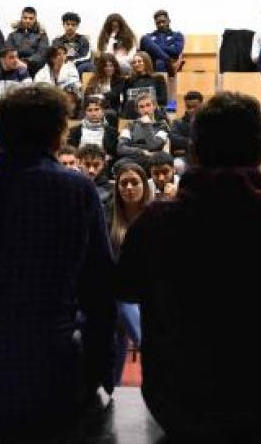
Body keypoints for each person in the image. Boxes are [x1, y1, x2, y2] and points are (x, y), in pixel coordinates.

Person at [117, 92, 261, 441]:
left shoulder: (153, 225)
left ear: (194, 151)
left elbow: (126, 289)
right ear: (260, 152)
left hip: (177, 410)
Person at [0, 85, 116, 438]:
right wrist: (103, 380)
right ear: (59, 136)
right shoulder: (75, 189)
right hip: (44, 391)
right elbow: (100, 292)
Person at [110, 163, 151, 383]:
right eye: (123, 183)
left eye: (134, 182)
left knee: (120, 309)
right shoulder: (110, 218)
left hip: (147, 290)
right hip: (119, 290)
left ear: (144, 185)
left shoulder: (155, 216)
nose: (128, 187)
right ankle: (113, 387)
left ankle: (147, 346)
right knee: (119, 307)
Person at [117, 93, 169, 170]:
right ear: (137, 110)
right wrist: (141, 151)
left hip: (153, 159)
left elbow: (153, 146)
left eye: (148, 105)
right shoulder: (130, 125)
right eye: (141, 107)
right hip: (134, 157)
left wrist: (147, 125)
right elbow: (120, 148)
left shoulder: (162, 126)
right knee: (119, 165)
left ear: (154, 106)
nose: (145, 110)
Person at [5, 6, 50, 77]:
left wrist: (26, 62)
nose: (27, 20)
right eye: (25, 18)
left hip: (34, 68)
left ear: (35, 19)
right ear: (21, 18)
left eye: (31, 18)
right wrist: (16, 62)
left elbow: (41, 54)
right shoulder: (12, 35)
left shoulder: (42, 35)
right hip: (14, 67)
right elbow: (8, 51)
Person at [121, 52, 167, 119]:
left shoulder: (158, 78)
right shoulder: (129, 80)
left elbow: (163, 100)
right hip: (134, 112)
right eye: (134, 62)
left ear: (146, 62)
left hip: (153, 111)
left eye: (139, 61)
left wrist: (146, 102)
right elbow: (126, 102)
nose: (136, 64)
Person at [139, 10, 185, 76]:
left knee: (160, 62)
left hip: (169, 67)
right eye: (158, 23)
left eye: (163, 22)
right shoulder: (149, 36)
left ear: (169, 21)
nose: (161, 24)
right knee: (144, 38)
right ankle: (167, 59)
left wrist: (154, 46)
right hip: (152, 63)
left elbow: (176, 51)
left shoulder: (177, 35)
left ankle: (166, 61)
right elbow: (143, 53)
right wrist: (167, 49)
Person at [84, 53, 126, 117]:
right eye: (106, 66)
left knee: (109, 114)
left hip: (109, 108)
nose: (109, 68)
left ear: (115, 66)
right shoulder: (94, 79)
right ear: (101, 67)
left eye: (111, 66)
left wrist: (100, 96)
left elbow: (114, 94)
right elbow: (87, 94)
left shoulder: (119, 79)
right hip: (92, 107)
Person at [77, 144, 113, 212]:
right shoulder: (72, 186)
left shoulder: (111, 190)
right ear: (79, 163)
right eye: (87, 165)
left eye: (96, 165)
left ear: (103, 164)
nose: (91, 170)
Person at [169, 90, 203, 158]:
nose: (192, 110)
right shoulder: (177, 123)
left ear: (201, 105)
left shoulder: (207, 123)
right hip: (182, 158)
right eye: (189, 107)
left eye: (195, 107)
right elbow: (174, 139)